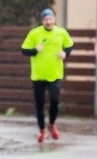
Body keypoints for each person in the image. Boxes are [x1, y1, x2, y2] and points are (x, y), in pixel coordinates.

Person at [21, 8, 74, 143]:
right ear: (42, 21)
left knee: (55, 101)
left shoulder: (61, 33)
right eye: (46, 19)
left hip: (54, 74)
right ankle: (42, 130)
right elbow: (24, 50)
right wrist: (35, 50)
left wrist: (65, 54)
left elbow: (70, 46)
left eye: (50, 19)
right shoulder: (35, 33)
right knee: (39, 104)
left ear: (54, 20)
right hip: (38, 75)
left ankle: (51, 124)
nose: (48, 22)